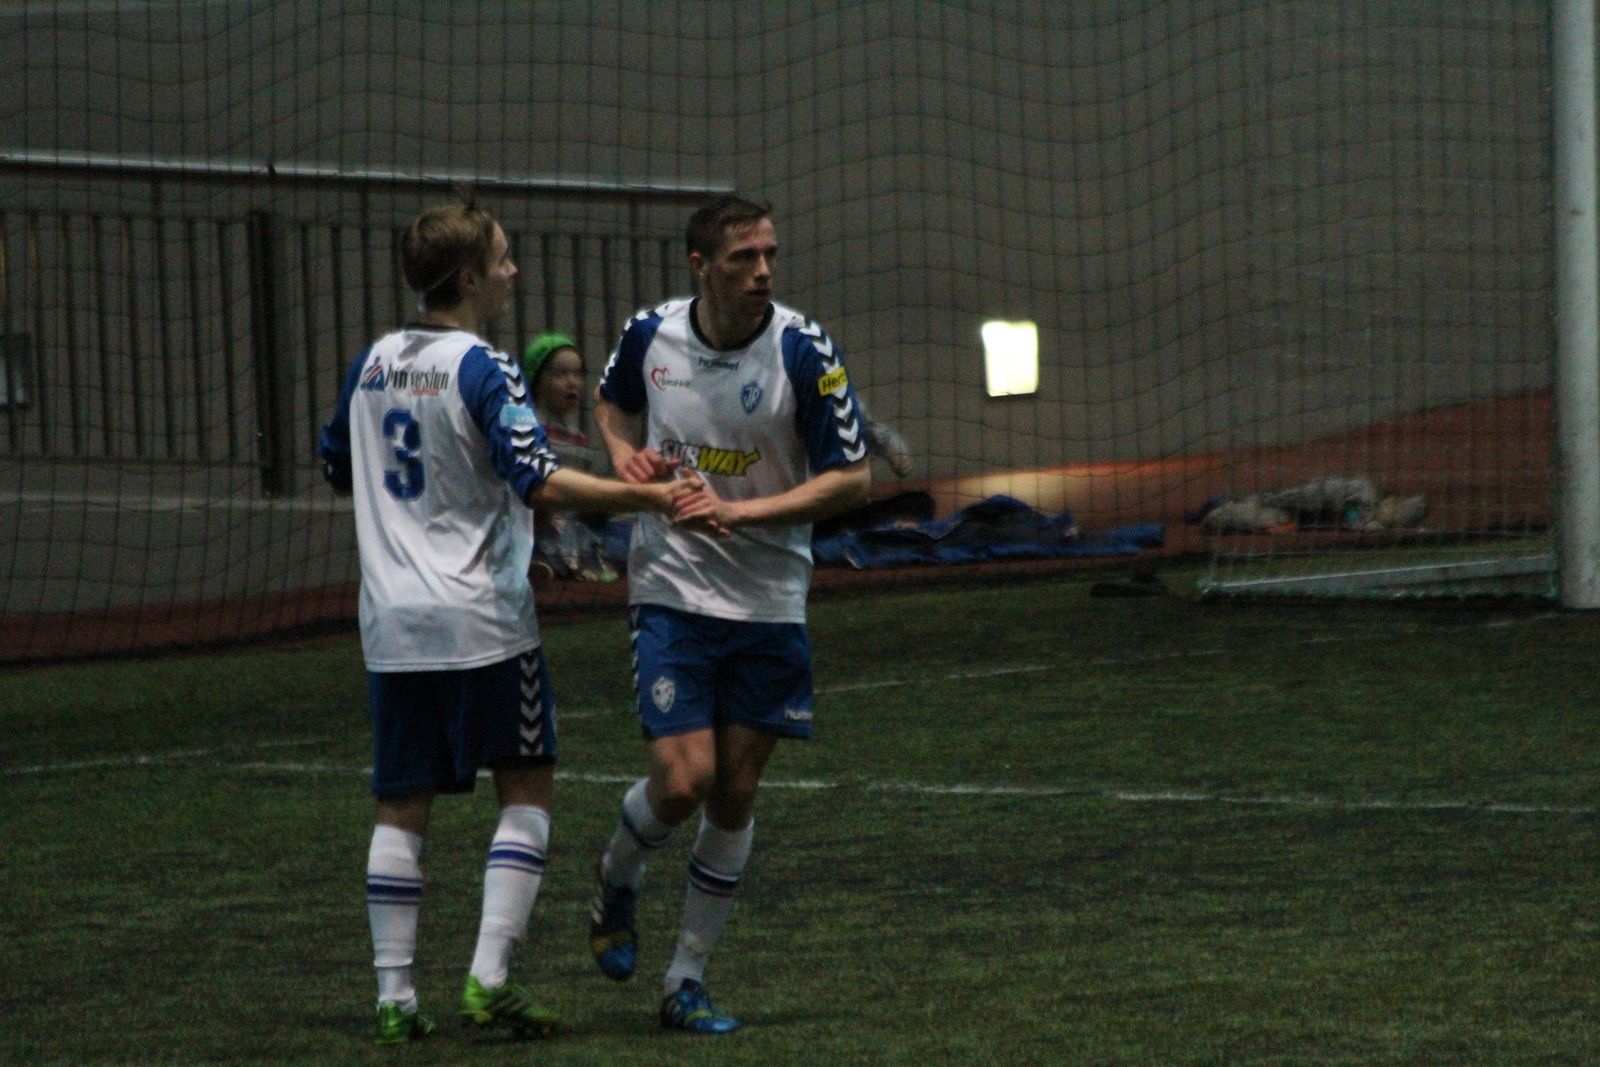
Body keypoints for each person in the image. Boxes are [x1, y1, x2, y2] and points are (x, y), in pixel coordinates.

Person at [316, 193, 700, 1045]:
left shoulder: (370, 362)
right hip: (482, 618)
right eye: (501, 259)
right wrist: (649, 495)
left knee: (400, 803)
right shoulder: (482, 367)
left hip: (392, 623)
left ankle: (394, 997)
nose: (512, 271)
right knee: (526, 786)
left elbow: (338, 466)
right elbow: (540, 478)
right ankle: (488, 978)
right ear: (468, 277)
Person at [586, 194, 871, 1033]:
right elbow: (611, 402)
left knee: (736, 792)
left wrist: (740, 513)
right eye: (744, 257)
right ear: (700, 266)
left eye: (769, 255)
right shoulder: (650, 334)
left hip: (769, 596)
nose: (763, 272)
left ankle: (685, 981)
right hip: (672, 587)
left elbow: (851, 478)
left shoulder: (803, 349)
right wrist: (622, 453)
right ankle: (616, 877)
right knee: (684, 781)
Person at [520, 330, 617, 582]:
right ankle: (537, 563)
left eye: (577, 374)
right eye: (561, 374)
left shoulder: (579, 439)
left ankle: (566, 563)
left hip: (572, 528)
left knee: (623, 534)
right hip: (537, 526)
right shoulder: (527, 428)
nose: (572, 382)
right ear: (537, 380)